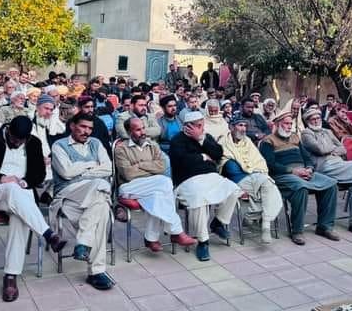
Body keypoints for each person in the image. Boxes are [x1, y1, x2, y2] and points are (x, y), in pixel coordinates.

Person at [0, 116, 66, 302]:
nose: (16, 143)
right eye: (13, 139)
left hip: (20, 195)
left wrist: (24, 181)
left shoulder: (34, 143)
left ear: (27, 137)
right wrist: (0, 178)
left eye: (21, 141)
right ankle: (47, 234)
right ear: (8, 130)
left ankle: (10, 276)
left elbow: (39, 174)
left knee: (20, 212)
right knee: (14, 191)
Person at [50, 113, 115, 290]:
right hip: (68, 193)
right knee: (101, 185)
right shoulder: (59, 145)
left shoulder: (96, 143)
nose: (87, 131)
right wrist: (91, 166)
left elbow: (108, 168)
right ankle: (95, 268)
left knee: (101, 209)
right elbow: (66, 173)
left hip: (88, 200)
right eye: (83, 127)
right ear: (72, 125)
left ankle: (94, 268)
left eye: (90, 128)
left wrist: (79, 171)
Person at [114, 117, 197, 251]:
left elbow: (161, 166)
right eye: (138, 130)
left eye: (143, 128)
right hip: (129, 187)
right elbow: (128, 174)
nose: (142, 132)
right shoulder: (121, 149)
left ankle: (151, 239)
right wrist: (150, 167)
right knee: (165, 182)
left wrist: (139, 165)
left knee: (158, 197)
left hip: (153, 186)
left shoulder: (152, 145)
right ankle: (176, 231)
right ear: (129, 132)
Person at [169, 111, 242, 261]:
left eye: (202, 125)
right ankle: (203, 241)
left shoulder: (205, 137)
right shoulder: (177, 140)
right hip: (187, 180)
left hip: (211, 177)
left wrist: (201, 139)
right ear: (188, 127)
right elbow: (183, 162)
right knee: (199, 199)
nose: (202, 128)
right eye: (199, 126)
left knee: (233, 190)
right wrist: (203, 156)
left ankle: (218, 222)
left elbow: (218, 154)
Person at [259, 113, 340, 245]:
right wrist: (293, 171)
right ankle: (297, 231)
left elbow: (306, 157)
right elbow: (270, 164)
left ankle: (325, 226)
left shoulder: (295, 137)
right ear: (278, 124)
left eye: (291, 124)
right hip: (282, 175)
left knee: (331, 184)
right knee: (300, 188)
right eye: (286, 123)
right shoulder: (268, 141)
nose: (289, 126)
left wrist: (309, 168)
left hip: (303, 173)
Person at [300, 109, 352, 238]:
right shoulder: (306, 133)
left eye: (318, 118)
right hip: (323, 167)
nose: (316, 121)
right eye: (312, 119)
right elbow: (320, 149)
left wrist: (333, 150)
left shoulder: (328, 131)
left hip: (339, 165)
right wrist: (332, 149)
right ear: (308, 121)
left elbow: (343, 148)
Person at [219, 115, 283, 244]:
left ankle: (264, 224)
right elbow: (230, 169)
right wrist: (249, 169)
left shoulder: (247, 141)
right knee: (268, 185)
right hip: (237, 181)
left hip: (255, 178)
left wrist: (249, 169)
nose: (243, 129)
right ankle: (257, 221)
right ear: (231, 127)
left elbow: (260, 162)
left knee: (267, 184)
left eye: (245, 126)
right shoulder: (223, 142)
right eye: (240, 125)